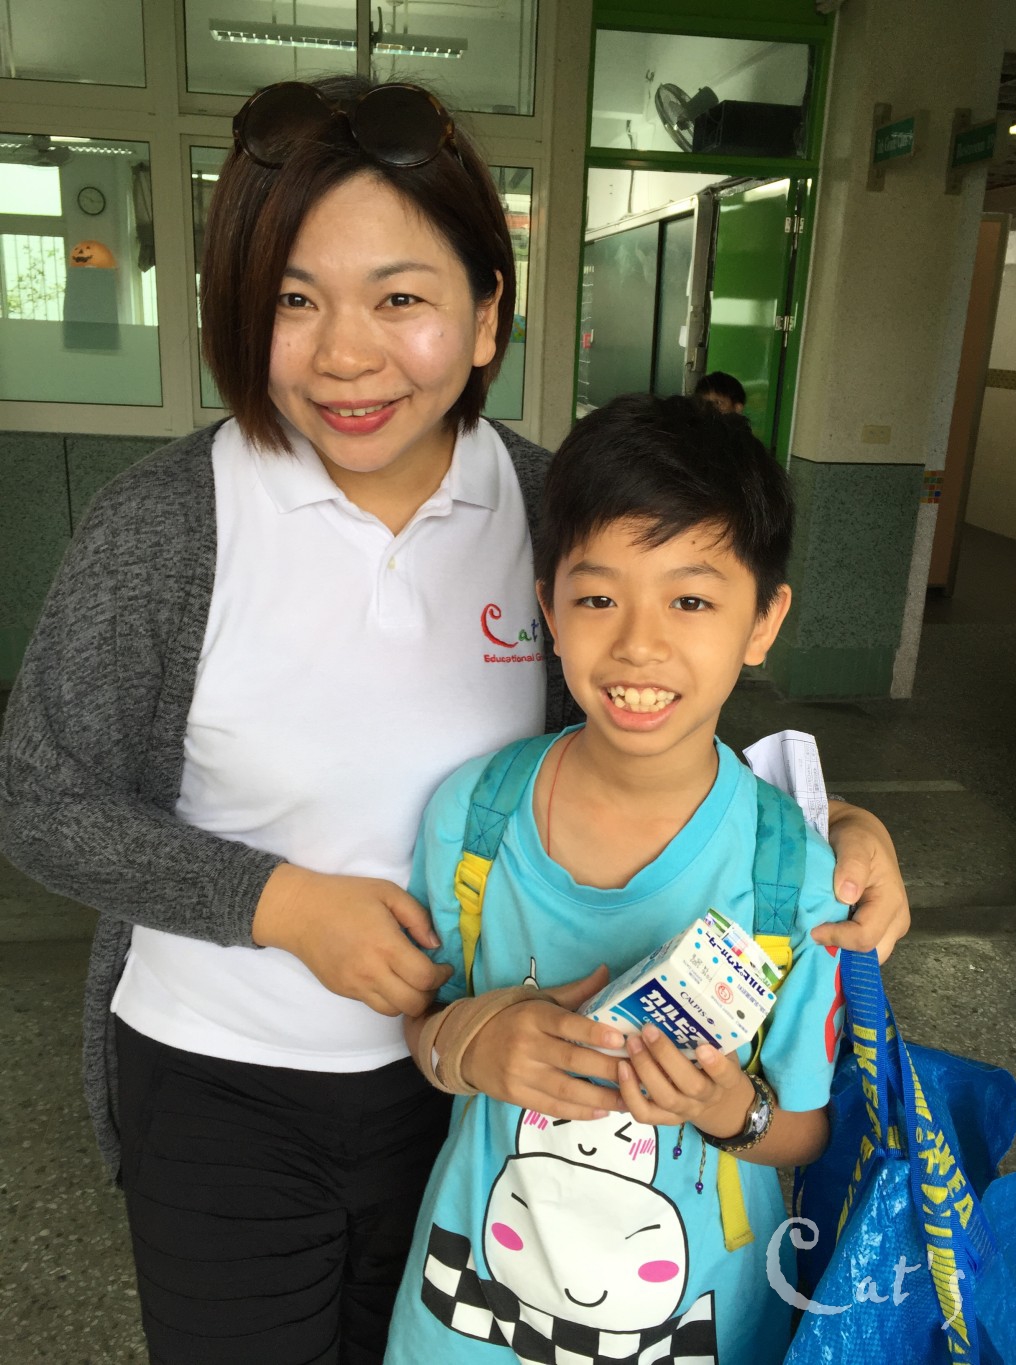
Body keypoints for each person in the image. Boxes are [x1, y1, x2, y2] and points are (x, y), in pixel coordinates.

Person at [0, 73, 904, 1365]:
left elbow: (647, 715)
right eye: (293, 300)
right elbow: (38, 791)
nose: (344, 355)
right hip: (218, 1084)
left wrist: (832, 820)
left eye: (400, 299)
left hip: (482, 1103)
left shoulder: (550, 512)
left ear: (486, 315)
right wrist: (278, 904)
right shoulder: (169, 522)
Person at [387, 393, 842, 1365]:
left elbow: (803, 1127)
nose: (638, 643)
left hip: (696, 1322)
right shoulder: (472, 819)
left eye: (691, 601)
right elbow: (419, 1025)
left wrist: (725, 1108)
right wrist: (469, 1047)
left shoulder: (793, 875)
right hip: (470, 1319)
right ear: (548, 608)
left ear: (763, 620)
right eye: (598, 598)